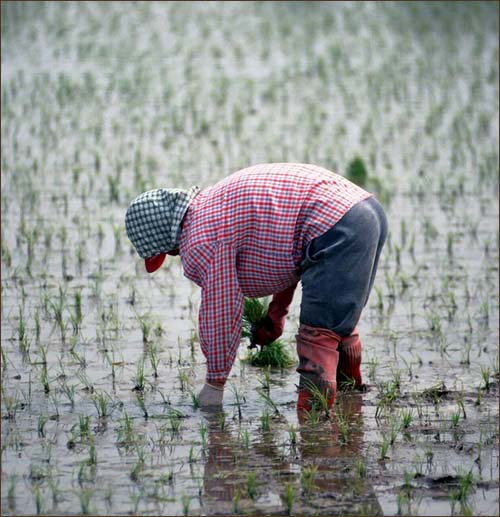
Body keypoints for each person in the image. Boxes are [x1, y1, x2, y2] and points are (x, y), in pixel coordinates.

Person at [125, 163, 387, 412]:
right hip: (364, 210)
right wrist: (277, 313)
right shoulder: (213, 204)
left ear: (165, 238)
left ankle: (317, 435)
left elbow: (221, 311)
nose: (174, 255)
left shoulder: (200, 238)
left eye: (167, 253)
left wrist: (214, 384)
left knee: (318, 336)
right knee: (335, 320)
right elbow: (292, 253)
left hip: (336, 226)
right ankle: (352, 401)